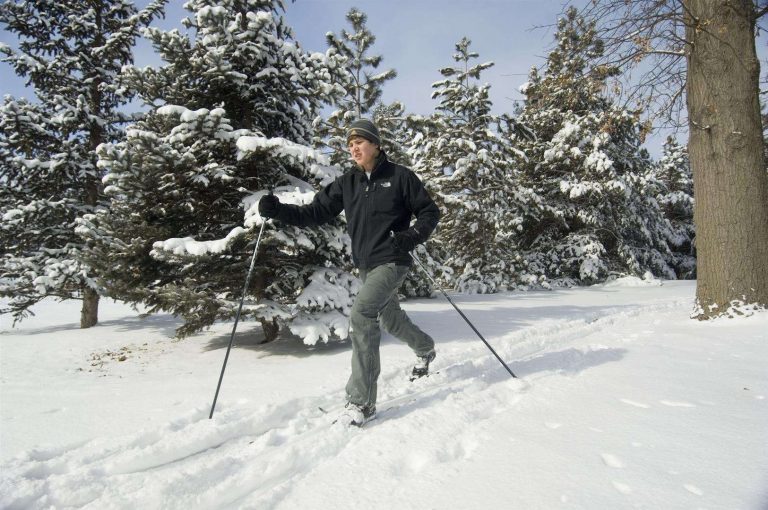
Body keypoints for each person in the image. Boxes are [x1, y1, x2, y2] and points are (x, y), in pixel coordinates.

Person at [258, 118, 440, 427]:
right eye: (350, 144)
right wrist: (278, 211)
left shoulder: (400, 177)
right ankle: (425, 349)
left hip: (393, 259)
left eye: (360, 142)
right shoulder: (348, 183)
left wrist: (412, 235)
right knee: (388, 317)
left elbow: (429, 211)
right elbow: (314, 213)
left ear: (376, 145)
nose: (354, 148)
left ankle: (362, 402)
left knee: (362, 314)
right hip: (367, 265)